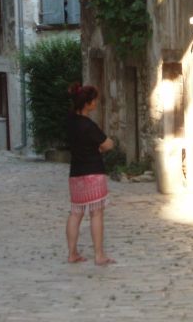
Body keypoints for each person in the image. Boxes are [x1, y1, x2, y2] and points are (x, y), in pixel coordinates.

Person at [65, 82, 116, 266]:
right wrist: (98, 148)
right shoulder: (88, 125)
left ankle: (72, 253)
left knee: (75, 213)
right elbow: (108, 144)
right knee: (96, 213)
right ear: (87, 103)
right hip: (93, 172)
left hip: (75, 173)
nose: (95, 103)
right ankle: (99, 255)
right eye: (94, 100)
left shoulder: (70, 122)